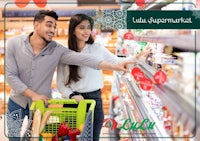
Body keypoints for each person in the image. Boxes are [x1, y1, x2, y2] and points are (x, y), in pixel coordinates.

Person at [5, 10, 131, 141]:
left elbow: (84, 59)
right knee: (13, 137)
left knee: (37, 137)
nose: (52, 29)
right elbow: (10, 75)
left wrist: (115, 66)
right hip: (17, 102)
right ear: (36, 25)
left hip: (41, 105)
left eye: (54, 26)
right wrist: (33, 95)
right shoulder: (14, 44)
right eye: (49, 25)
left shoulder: (57, 50)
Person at [57, 13, 150, 141]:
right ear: (73, 30)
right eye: (82, 27)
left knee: (93, 138)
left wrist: (137, 58)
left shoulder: (97, 48)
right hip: (73, 102)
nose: (86, 31)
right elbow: (60, 84)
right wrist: (72, 95)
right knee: (70, 138)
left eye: (89, 27)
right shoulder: (65, 54)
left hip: (95, 100)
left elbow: (116, 61)